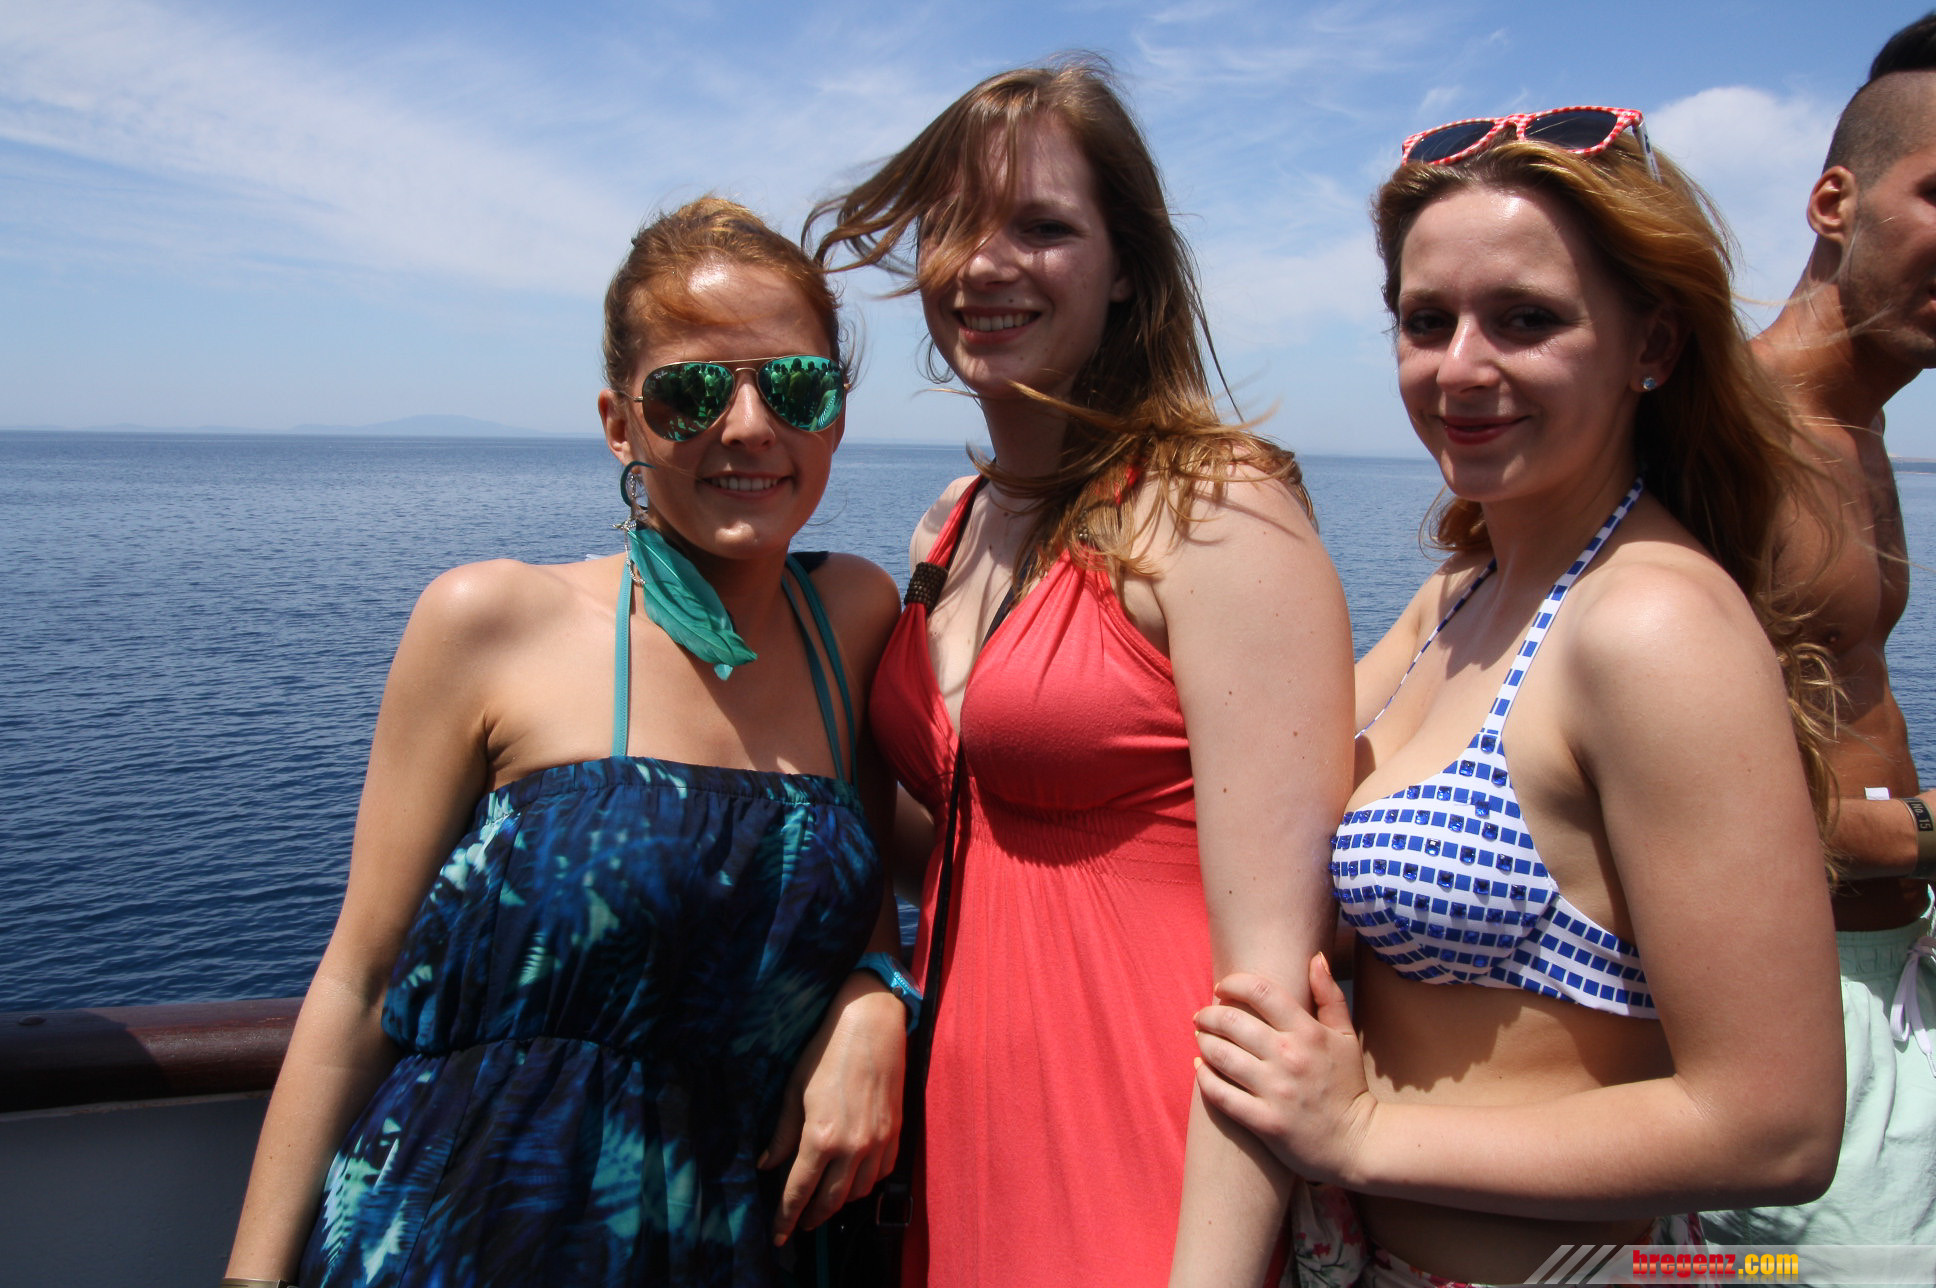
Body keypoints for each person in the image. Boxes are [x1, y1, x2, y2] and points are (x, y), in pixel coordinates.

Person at [1191, 109, 1845, 1286]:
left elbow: (1776, 1123)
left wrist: (1364, 1133)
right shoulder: (1453, 601)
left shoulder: (1650, 627)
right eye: (1425, 321)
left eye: (1525, 319)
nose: (1459, 367)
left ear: (1651, 344)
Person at [222, 197, 907, 1288]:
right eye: (690, 392)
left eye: (795, 385)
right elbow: (360, 978)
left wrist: (876, 995)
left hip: (749, 1241)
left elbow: (865, 894)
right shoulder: (489, 621)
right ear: (619, 424)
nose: (747, 425)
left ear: (832, 413)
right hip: (477, 1224)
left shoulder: (856, 621)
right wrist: (249, 1276)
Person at [812, 57, 1354, 1288]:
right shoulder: (951, 528)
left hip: (1146, 1165)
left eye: (1043, 227)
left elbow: (1273, 977)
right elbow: (965, 835)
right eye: (953, 225)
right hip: (967, 1158)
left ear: (1125, 270)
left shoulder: (1216, 512)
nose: (983, 263)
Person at [1706, 12, 1936, 1246]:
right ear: (1832, 202)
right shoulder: (1723, 442)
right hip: (1799, 1021)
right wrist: (1922, 832)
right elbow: (1645, 790)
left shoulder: (1862, 428)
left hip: (1896, 973)